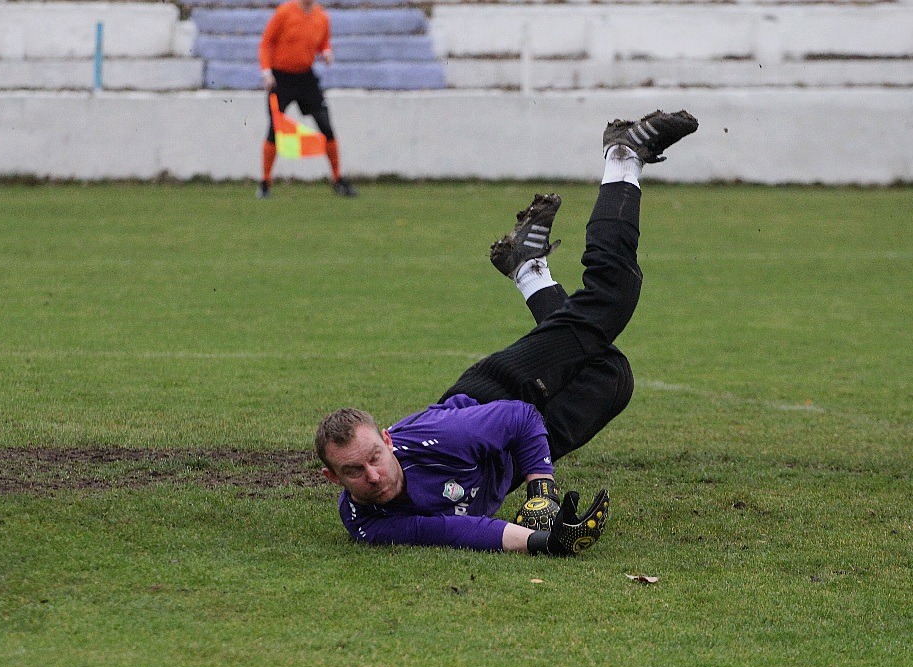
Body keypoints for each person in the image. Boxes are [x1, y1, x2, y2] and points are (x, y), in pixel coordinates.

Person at [314, 110, 699, 555]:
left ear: (387, 441)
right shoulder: (366, 521)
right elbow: (455, 532)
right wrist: (545, 540)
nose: (374, 476)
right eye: (354, 472)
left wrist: (542, 491)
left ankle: (622, 155)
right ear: (332, 479)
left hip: (498, 395)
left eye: (375, 459)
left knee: (613, 297)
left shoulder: (445, 436)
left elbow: (519, 417)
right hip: (502, 463)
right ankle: (528, 269)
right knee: (611, 377)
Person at [257, 0, 357, 199]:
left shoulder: (322, 17)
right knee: (275, 130)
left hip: (306, 78)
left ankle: (338, 179)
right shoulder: (285, 12)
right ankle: (265, 182)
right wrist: (267, 72)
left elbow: (323, 42)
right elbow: (266, 43)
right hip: (281, 78)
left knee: (326, 126)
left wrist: (326, 51)